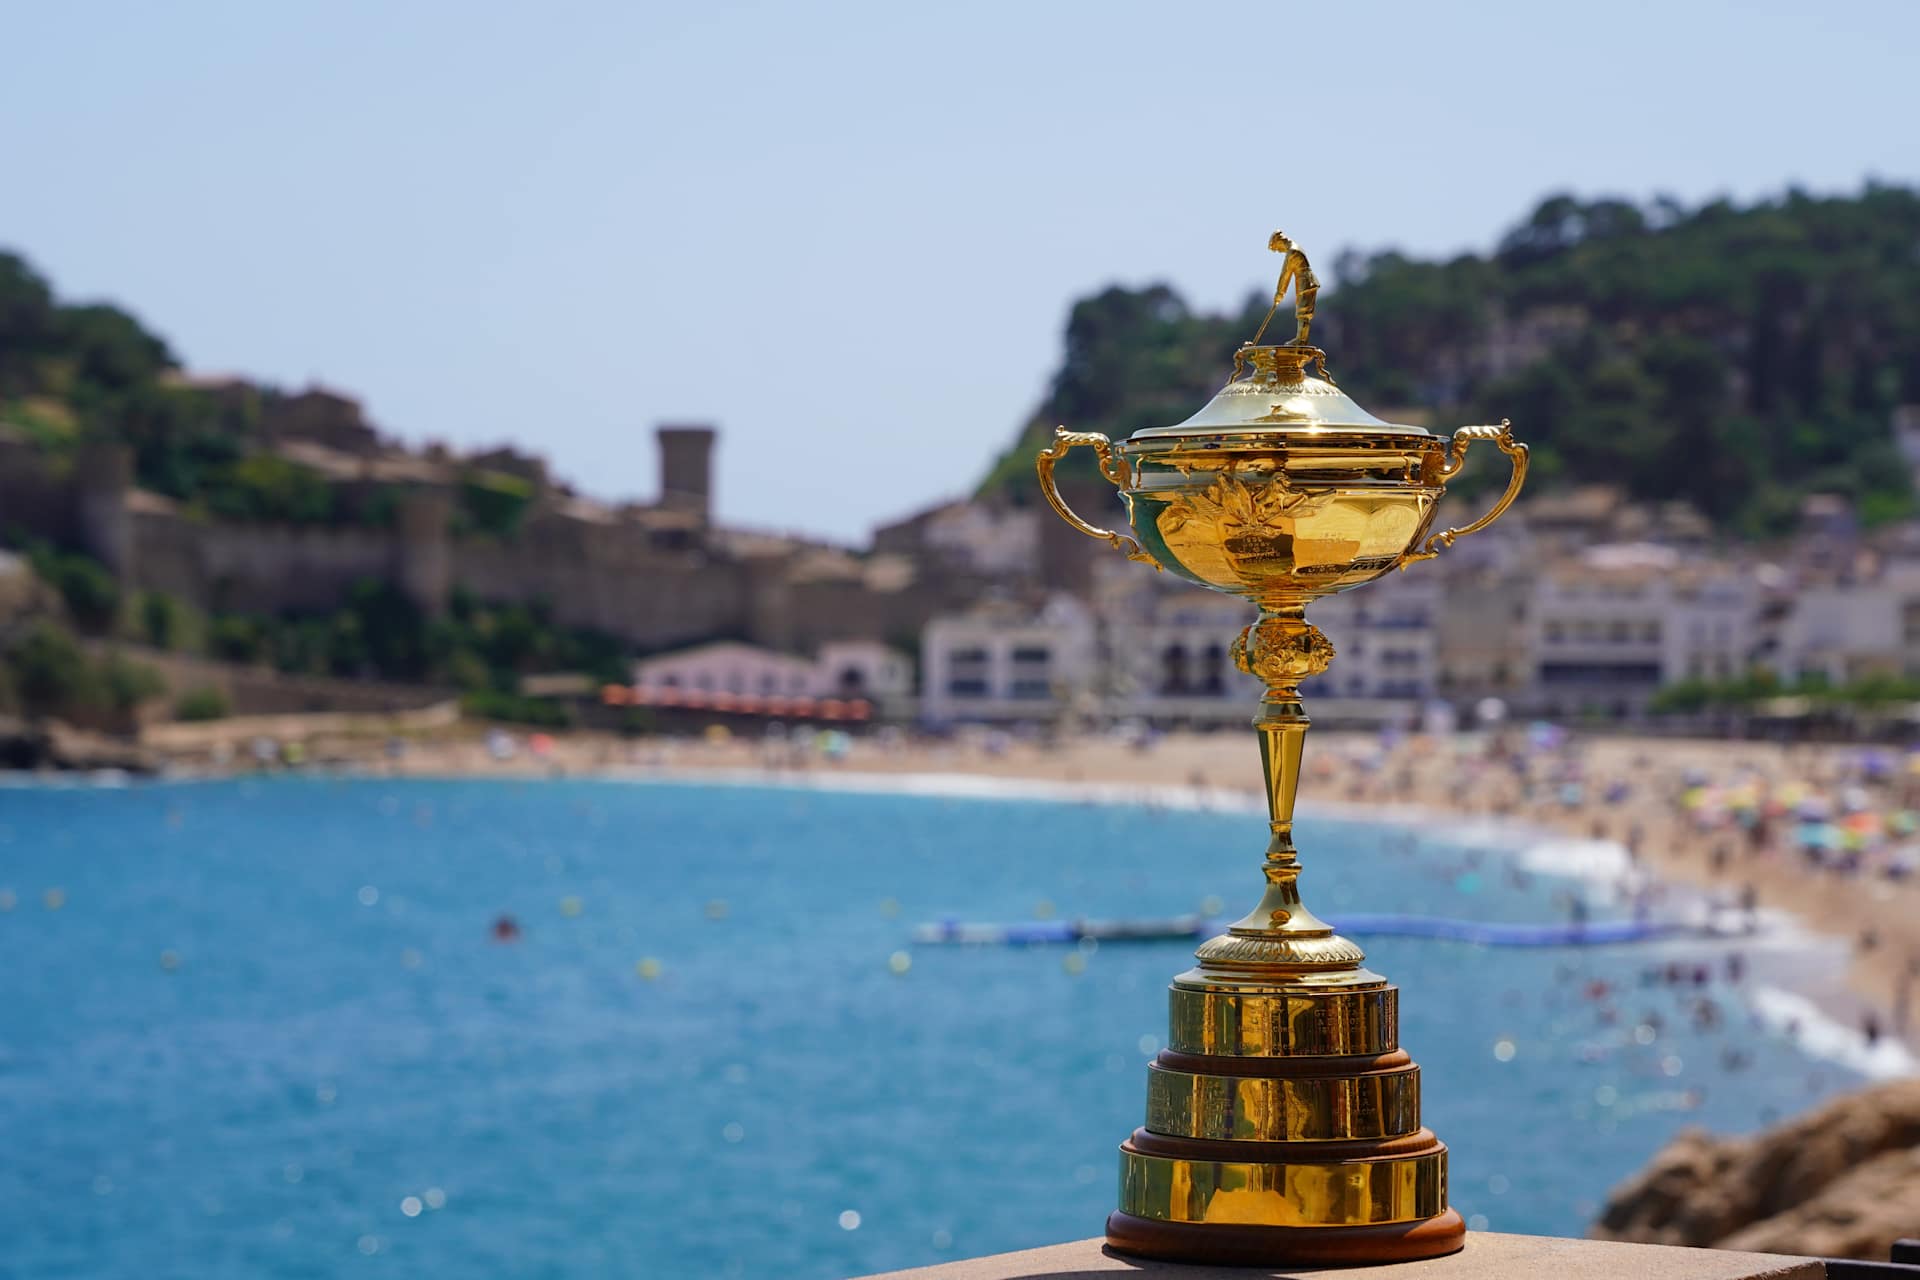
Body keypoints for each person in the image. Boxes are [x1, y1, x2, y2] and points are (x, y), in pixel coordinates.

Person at [1250, 230, 1321, 347]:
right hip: (1305, 280)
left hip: (1306, 282)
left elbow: (1285, 274)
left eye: (1277, 248)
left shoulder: (1292, 252)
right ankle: (1301, 338)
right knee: (1303, 311)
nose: (1279, 251)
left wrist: (1279, 293)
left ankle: (1301, 340)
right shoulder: (1295, 248)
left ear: (1280, 242)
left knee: (1303, 311)